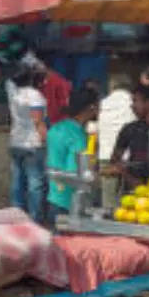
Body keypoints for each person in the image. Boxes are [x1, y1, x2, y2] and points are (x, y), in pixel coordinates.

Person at [45, 88, 100, 224]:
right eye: (98, 107)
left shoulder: (55, 128)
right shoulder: (78, 137)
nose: (99, 111)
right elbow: (77, 172)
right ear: (91, 108)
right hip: (69, 203)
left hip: (53, 196)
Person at [7, 65, 49, 222]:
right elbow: (38, 121)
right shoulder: (35, 96)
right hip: (32, 143)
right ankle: (34, 219)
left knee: (17, 182)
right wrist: (45, 141)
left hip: (16, 141)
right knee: (35, 183)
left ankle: (15, 217)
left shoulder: (14, 93)